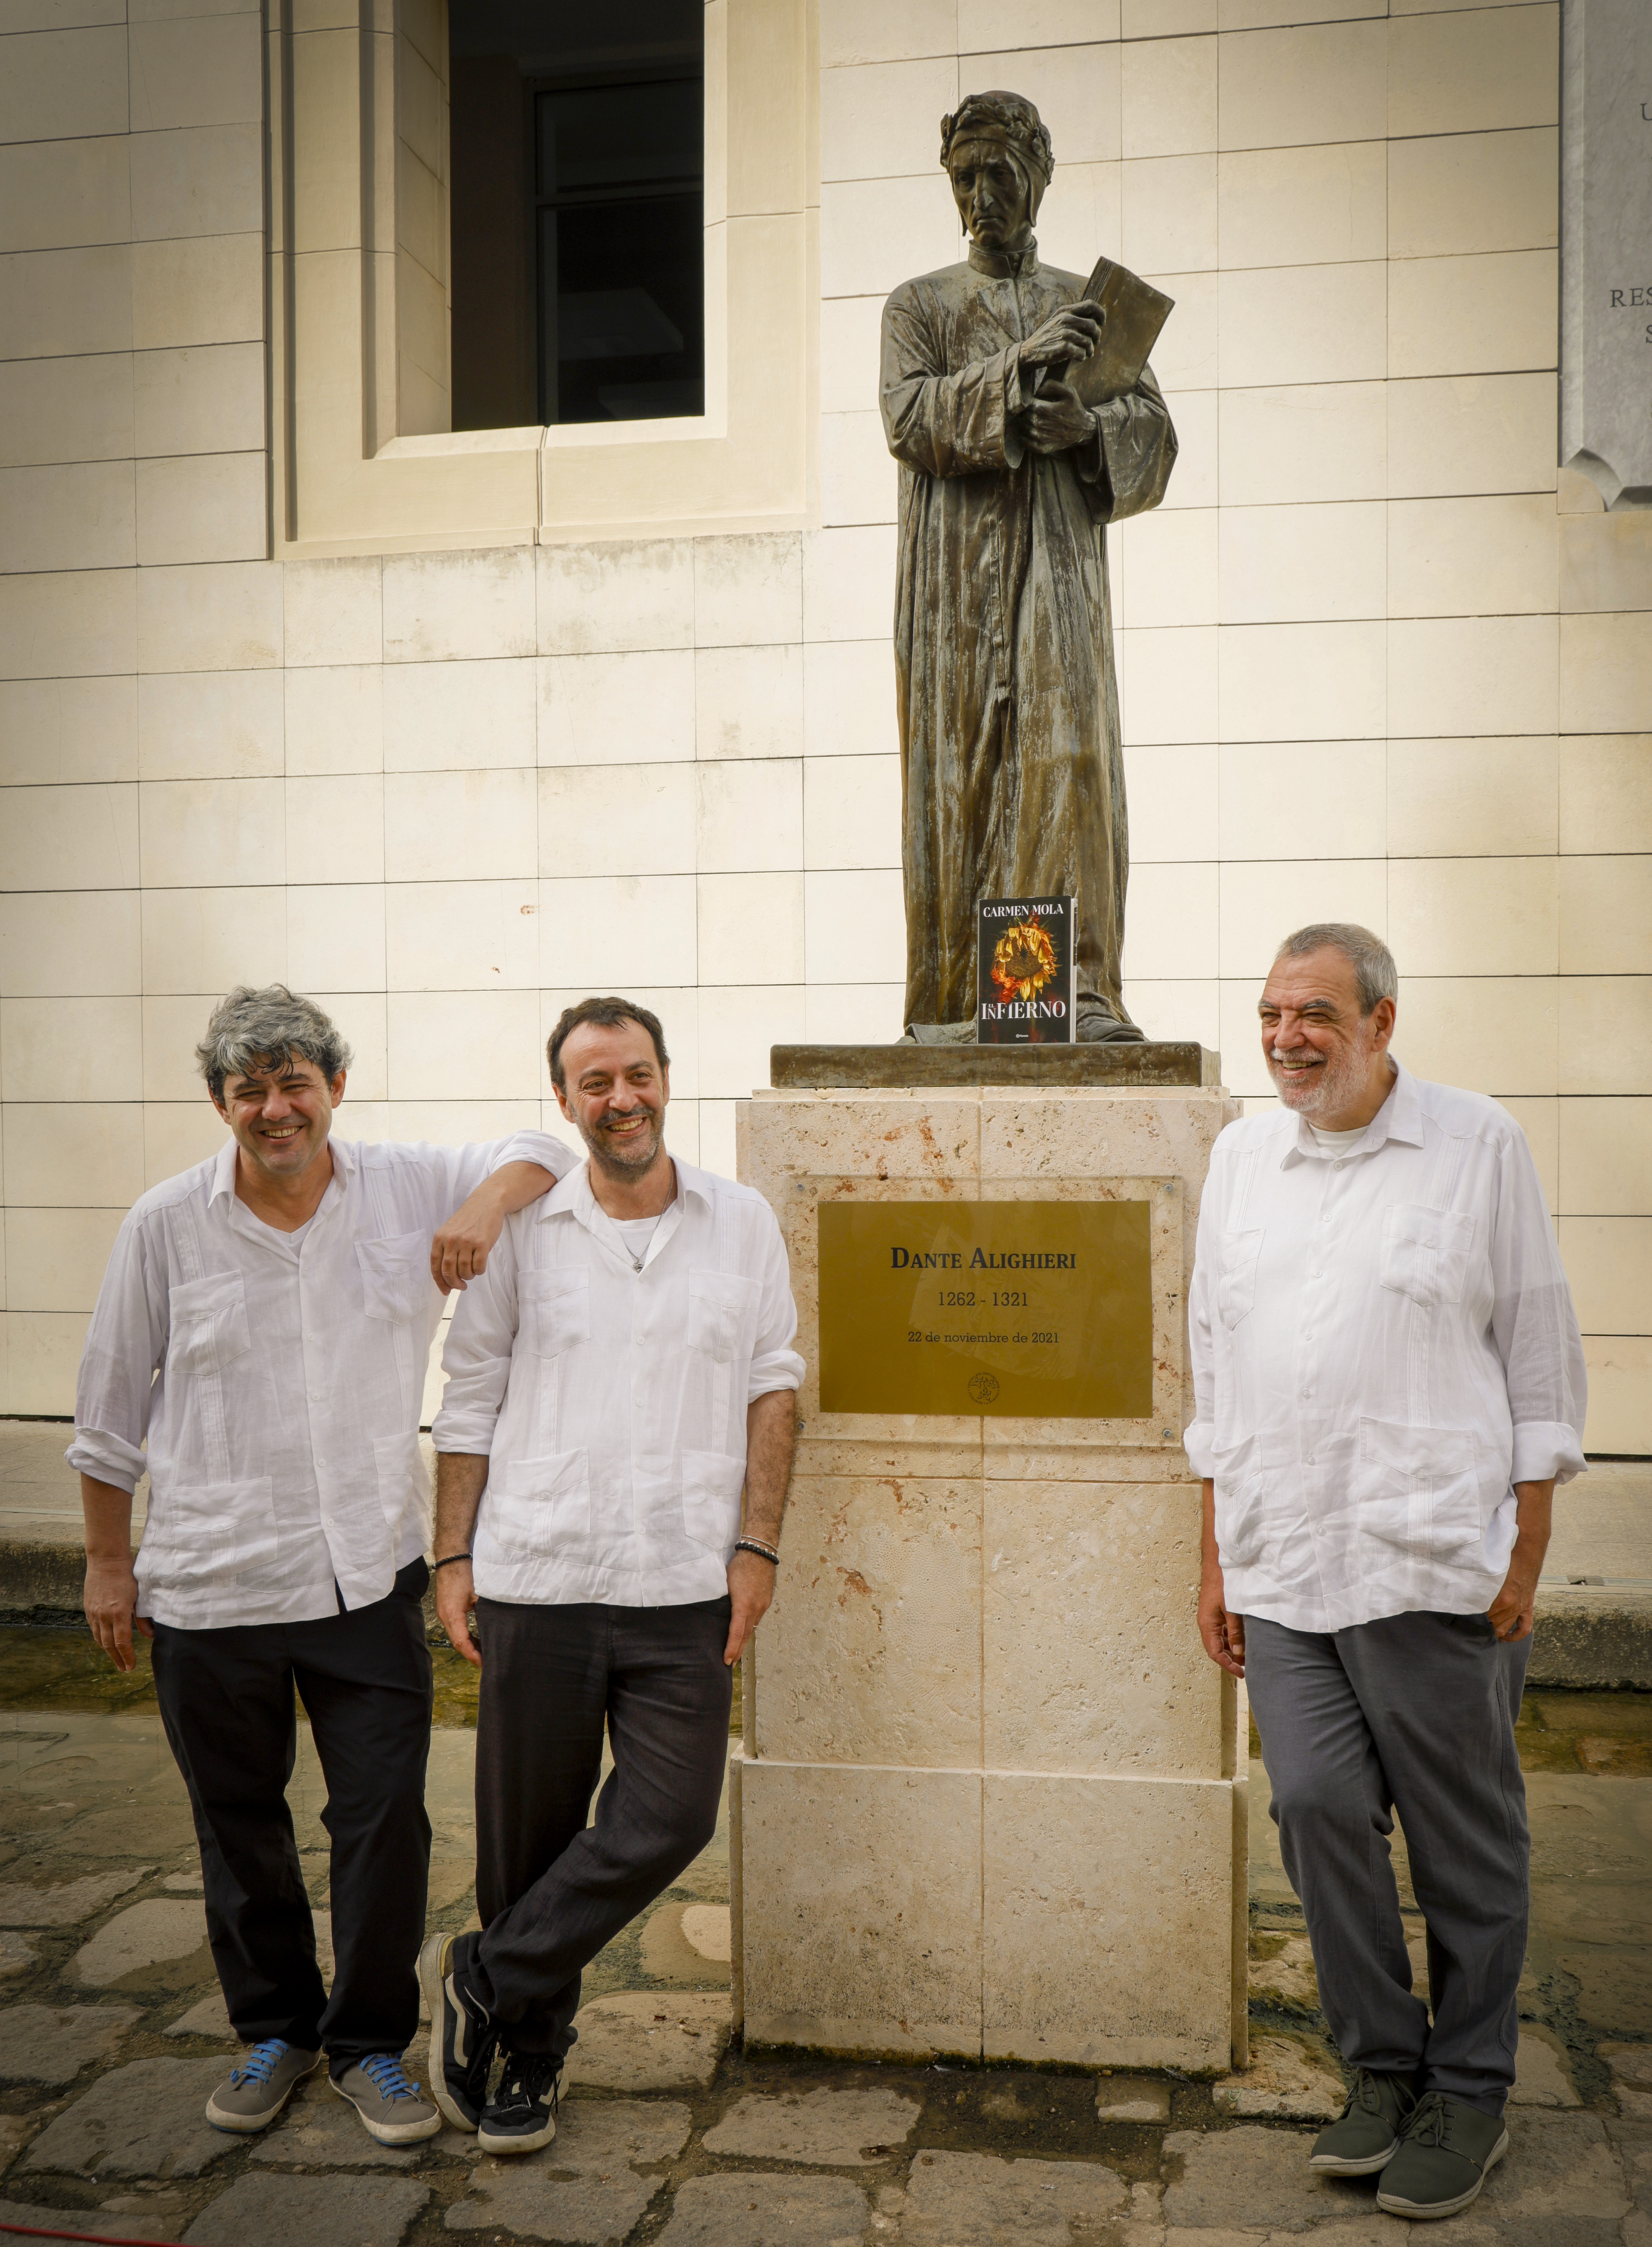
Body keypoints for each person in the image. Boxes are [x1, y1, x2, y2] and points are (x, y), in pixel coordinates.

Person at [71, 985, 575, 2145]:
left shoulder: (401, 1185)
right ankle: (276, 2032)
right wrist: (109, 1567)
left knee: (386, 1816)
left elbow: (538, 1147)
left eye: (297, 1082)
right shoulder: (164, 1225)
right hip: (210, 1584)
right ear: (220, 1104)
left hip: (365, 1575)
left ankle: (368, 2046)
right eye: (250, 1088)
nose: (275, 1107)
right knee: (238, 1822)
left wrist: (486, 1210)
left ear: (334, 1089)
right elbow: (106, 1419)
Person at [1189, 924, 1587, 2222]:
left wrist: (1527, 1543)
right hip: (1288, 1557)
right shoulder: (1242, 1159)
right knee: (1311, 1808)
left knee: (1467, 1844)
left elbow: (1537, 1349)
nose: (1287, 1037)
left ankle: (1469, 2087)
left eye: (1315, 1013)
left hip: (1432, 1558)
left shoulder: (1478, 1145)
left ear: (1382, 1021)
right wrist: (1217, 1552)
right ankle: (1380, 2065)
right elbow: (1217, 1361)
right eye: (1270, 1014)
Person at [420, 996, 803, 2154]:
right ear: (565, 1102)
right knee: (525, 1840)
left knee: (670, 1818)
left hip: (685, 1578)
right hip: (540, 1571)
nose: (621, 1098)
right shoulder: (525, 1231)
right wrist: (452, 1554)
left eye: (635, 1074)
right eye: (595, 1083)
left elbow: (774, 1386)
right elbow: (470, 1395)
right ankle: (530, 2061)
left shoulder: (740, 1221)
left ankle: (485, 1973)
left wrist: (757, 1545)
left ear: (667, 1078)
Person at [880, 89, 1177, 1039]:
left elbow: (1154, 442)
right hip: (953, 592)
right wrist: (1017, 374)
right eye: (963, 177)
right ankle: (961, 1002)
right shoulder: (919, 305)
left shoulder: (1083, 307)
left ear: (1038, 178)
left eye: (998, 174)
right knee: (962, 775)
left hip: (1056, 577)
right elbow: (908, 418)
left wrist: (1087, 429)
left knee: (1067, 766)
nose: (979, 195)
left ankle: (1069, 996)